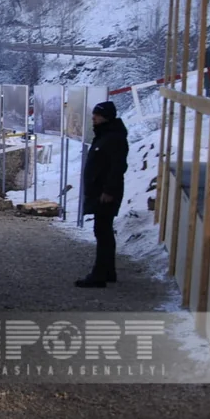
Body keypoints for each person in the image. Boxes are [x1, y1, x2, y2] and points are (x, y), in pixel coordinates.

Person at [76, 101, 128, 288]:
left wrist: (108, 191)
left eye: (97, 115)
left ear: (106, 116)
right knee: (103, 231)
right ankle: (108, 271)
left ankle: (99, 274)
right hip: (100, 190)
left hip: (105, 193)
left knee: (103, 231)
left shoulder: (114, 138)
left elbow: (117, 166)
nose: (93, 118)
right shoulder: (106, 134)